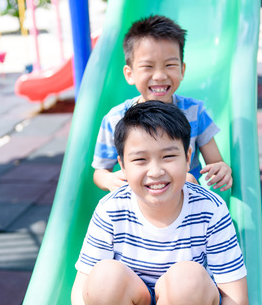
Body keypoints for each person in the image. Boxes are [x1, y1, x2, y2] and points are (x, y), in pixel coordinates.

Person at [71, 101, 248, 305]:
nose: (155, 171)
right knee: (103, 277)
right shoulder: (111, 209)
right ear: (122, 166)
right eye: (140, 159)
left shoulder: (210, 210)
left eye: (169, 156)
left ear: (188, 158)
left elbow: (236, 298)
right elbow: (80, 289)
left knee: (189, 279)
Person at [92, 15, 232, 193]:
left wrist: (221, 169)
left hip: (185, 198)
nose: (159, 75)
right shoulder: (116, 118)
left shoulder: (194, 111)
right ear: (130, 74)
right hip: (142, 197)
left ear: (182, 70)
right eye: (148, 67)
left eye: (169, 65)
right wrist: (108, 179)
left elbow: (215, 161)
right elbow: (100, 171)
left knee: (187, 179)